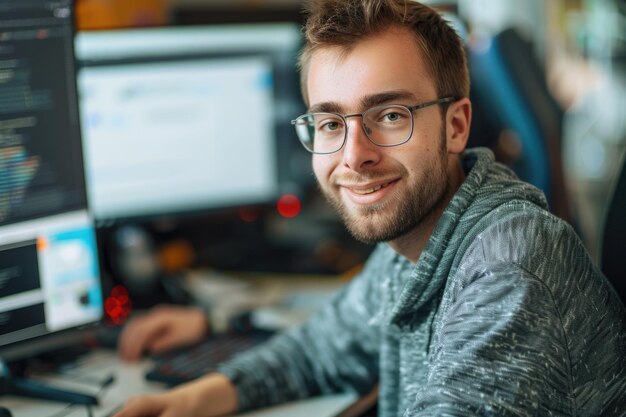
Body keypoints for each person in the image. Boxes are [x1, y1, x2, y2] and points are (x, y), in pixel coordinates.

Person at [113, 0, 626, 416]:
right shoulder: (418, 241)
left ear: (456, 125)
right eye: (331, 123)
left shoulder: (510, 265)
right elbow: (321, 347)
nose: (354, 156)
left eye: (390, 115)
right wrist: (191, 399)